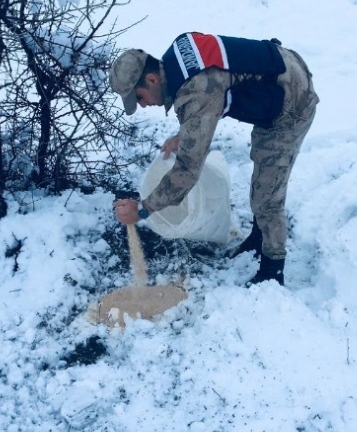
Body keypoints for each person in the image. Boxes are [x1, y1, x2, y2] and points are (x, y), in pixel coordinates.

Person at [110, 32, 319, 286]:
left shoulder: (194, 92)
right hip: (278, 76)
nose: (142, 105)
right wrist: (184, 134)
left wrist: (143, 209)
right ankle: (258, 237)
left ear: (152, 78)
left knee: (268, 194)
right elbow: (213, 90)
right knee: (263, 173)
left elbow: (187, 170)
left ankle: (272, 270)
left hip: (293, 99)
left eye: (139, 97)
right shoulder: (176, 58)